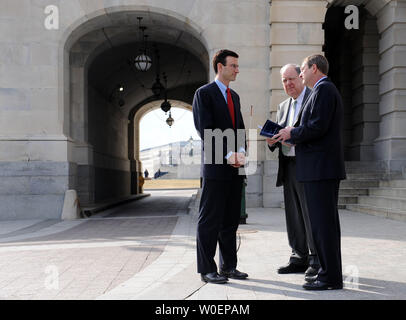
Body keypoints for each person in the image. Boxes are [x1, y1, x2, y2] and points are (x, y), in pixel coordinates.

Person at [273, 54, 346, 290]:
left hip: (320, 170)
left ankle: (329, 277)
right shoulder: (322, 90)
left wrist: (292, 133)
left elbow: (316, 127)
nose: (301, 74)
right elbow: (315, 128)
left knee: (323, 226)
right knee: (323, 225)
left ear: (314, 68)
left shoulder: (323, 90)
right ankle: (328, 273)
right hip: (318, 169)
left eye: (303, 70)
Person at [192, 49, 248, 284]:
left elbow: (240, 129)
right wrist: (227, 154)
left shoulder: (234, 96)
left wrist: (242, 153)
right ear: (220, 67)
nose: (237, 70)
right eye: (233, 65)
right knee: (210, 219)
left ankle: (228, 267)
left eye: (237, 66)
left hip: (235, 168)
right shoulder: (203, 94)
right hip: (215, 167)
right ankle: (207, 269)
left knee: (230, 220)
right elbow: (204, 129)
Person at [266, 64, 320, 278]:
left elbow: (316, 130)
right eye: (284, 81)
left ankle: (316, 259)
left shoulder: (313, 99)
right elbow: (281, 134)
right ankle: (298, 257)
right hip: (288, 165)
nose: (288, 84)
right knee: (294, 215)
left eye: (291, 79)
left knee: (310, 214)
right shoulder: (282, 106)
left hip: (308, 165)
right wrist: (272, 140)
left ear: (301, 77)